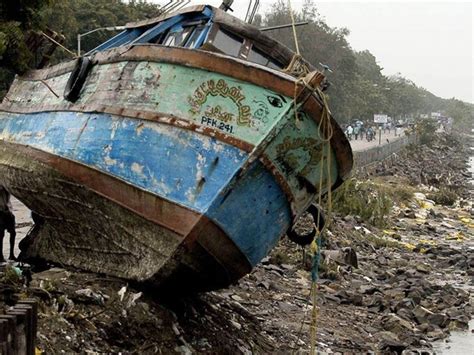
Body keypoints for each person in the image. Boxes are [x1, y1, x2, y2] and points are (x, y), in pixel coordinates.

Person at [0, 186, 16, 261]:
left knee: (13, 233)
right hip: (1, 212)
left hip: (8, 210)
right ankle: (1, 255)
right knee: (1, 234)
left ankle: (11, 254)